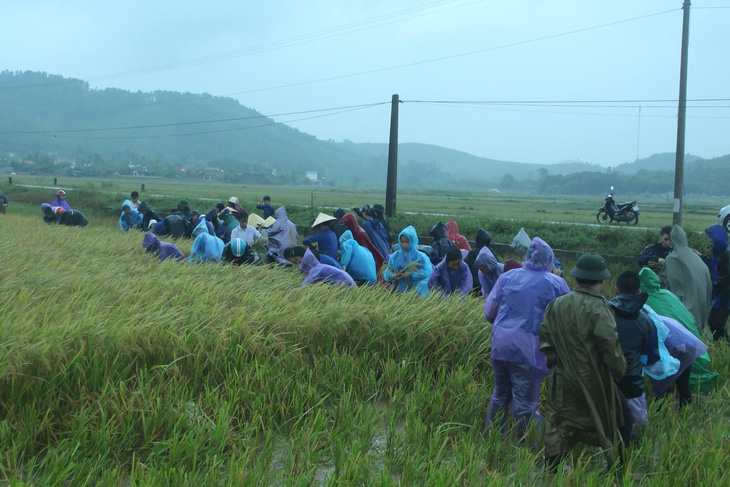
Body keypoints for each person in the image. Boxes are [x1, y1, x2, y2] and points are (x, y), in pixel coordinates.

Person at [540, 253, 627, 469]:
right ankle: (616, 471)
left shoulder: (556, 304)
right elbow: (610, 347)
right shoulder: (600, 308)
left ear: (577, 278)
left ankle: (551, 471)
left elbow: (546, 342)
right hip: (594, 379)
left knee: (561, 422)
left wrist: (557, 366)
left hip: (563, 378)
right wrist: (618, 372)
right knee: (606, 421)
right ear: (601, 281)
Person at [484, 238, 569, 440]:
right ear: (550, 260)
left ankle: (493, 439)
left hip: (501, 344)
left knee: (500, 394)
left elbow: (489, 313)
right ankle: (525, 447)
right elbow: (567, 319)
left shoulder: (508, 277)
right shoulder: (556, 283)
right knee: (526, 402)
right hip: (530, 349)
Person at [639, 267, 717, 391]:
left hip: (673, 345)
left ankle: (664, 401)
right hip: (689, 341)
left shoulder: (645, 301)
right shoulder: (668, 294)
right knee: (684, 379)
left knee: (665, 378)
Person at [609, 271, 660, 435]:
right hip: (633, 382)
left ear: (616, 289)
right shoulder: (647, 320)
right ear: (639, 290)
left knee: (604, 430)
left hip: (605, 379)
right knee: (638, 434)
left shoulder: (603, 313)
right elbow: (652, 355)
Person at [660, 225, 712, 334]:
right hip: (701, 306)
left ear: (673, 239)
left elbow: (667, 286)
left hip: (684, 310)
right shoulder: (696, 258)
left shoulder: (672, 259)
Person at [697, 225, 730, 341]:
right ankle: (717, 347)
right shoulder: (718, 250)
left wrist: (713, 284)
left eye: (711, 237)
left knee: (717, 323)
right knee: (714, 323)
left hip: (725, 295)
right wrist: (702, 257)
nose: (710, 240)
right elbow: (714, 266)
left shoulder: (727, 253)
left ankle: (723, 346)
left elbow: (726, 277)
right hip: (719, 293)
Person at [383, 226, 432, 297]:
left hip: (416, 292)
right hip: (398, 291)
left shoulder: (421, 257)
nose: (404, 244)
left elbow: (427, 272)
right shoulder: (395, 256)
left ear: (413, 241)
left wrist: (411, 274)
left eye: (407, 242)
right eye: (402, 242)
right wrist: (392, 276)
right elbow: (388, 270)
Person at [466, 229, 498, 295]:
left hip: (475, 287)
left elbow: (470, 270)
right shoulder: (491, 252)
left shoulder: (472, 253)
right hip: (492, 287)